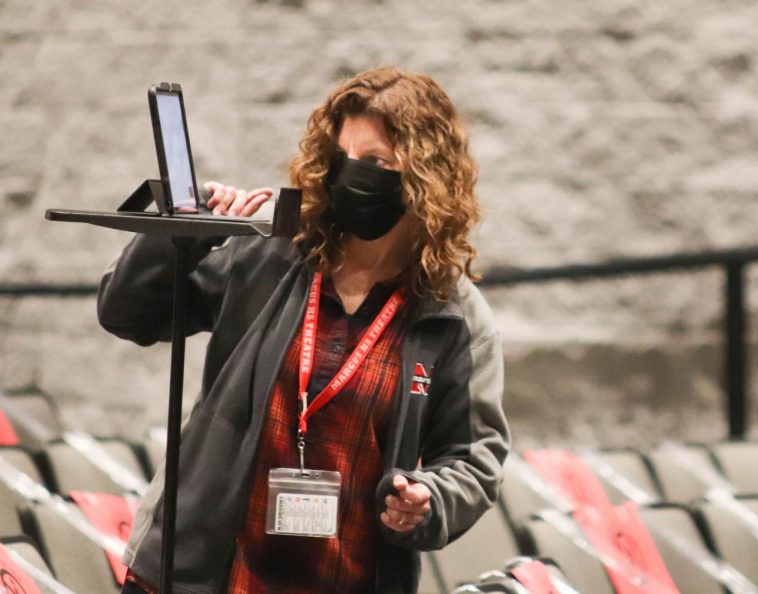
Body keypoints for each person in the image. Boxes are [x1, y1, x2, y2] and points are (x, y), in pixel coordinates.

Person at [99, 66, 509, 594]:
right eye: (343, 159)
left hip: (348, 576)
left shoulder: (453, 314)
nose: (352, 175)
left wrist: (430, 499)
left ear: (425, 178)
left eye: (376, 162)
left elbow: (476, 460)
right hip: (204, 570)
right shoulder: (270, 250)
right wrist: (186, 235)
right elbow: (127, 313)